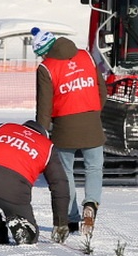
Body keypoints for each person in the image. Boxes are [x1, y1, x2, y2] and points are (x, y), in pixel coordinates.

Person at [33, 26, 107, 236]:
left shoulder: (46, 68)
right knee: (94, 168)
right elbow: (101, 91)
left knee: (66, 173)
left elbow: (44, 107)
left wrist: (42, 131)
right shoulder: (86, 55)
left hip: (64, 127)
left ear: (44, 50)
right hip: (92, 122)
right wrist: (93, 112)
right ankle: (91, 204)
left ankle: (72, 218)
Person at [0, 120, 70, 245]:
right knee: (31, 237)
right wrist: (60, 222)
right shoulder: (47, 147)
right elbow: (60, 184)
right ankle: (21, 225)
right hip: (15, 194)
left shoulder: (3, 128)